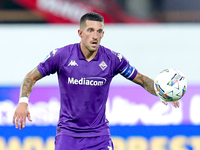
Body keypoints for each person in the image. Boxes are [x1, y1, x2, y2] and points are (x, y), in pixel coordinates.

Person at [13, 12, 179, 150]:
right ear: (80, 33)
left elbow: (142, 79)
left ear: (103, 34)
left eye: (99, 31)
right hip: (68, 135)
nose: (95, 36)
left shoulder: (113, 59)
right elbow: (31, 76)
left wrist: (161, 91)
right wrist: (23, 102)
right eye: (90, 30)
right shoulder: (62, 56)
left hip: (99, 136)